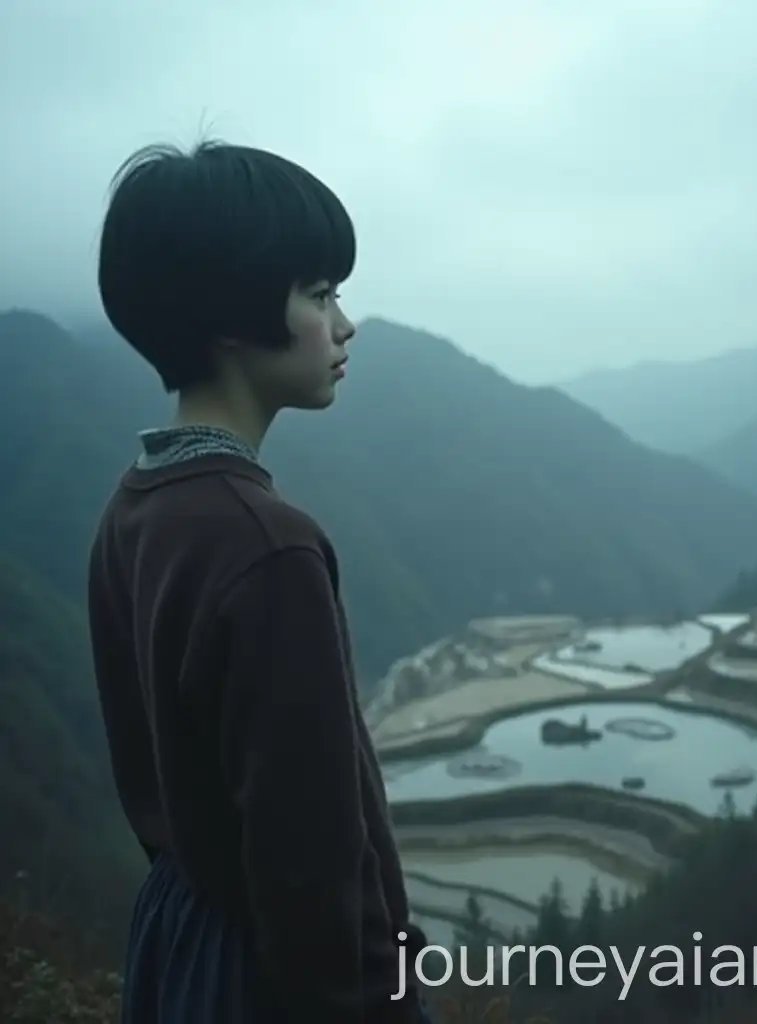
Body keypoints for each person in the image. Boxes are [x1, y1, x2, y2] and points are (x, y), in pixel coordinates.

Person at [87, 139, 431, 1023]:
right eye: (319, 294)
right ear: (234, 317)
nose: (344, 323)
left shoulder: (135, 508)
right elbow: (312, 859)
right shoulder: (267, 547)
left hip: (179, 943)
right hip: (276, 985)